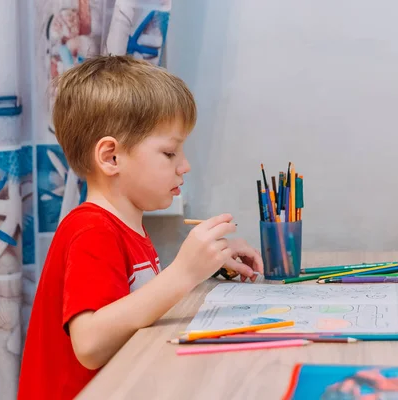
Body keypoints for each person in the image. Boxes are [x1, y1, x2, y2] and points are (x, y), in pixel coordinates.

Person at [17, 55, 263, 400]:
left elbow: (134, 303)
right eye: (169, 153)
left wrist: (207, 265)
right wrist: (182, 273)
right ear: (111, 157)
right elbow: (89, 344)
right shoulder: (91, 230)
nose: (185, 166)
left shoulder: (124, 226)